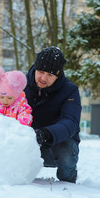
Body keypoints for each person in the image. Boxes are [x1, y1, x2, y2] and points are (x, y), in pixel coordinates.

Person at [24, 46, 82, 183]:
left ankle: (68, 180)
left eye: (50, 75)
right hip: (28, 144)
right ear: (35, 68)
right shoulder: (20, 84)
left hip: (55, 145)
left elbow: (70, 122)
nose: (43, 78)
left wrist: (46, 134)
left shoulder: (69, 90)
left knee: (65, 150)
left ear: (58, 75)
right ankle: (16, 176)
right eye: (41, 72)